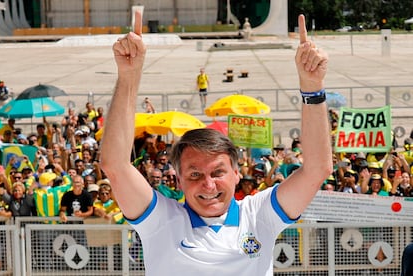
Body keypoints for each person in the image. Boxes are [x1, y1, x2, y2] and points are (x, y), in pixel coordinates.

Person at [100, 12, 332, 275]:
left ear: (236, 173)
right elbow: (116, 166)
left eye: (218, 172)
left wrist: (312, 87)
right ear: (178, 179)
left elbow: (316, 169)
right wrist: (129, 76)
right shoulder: (161, 221)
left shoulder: (259, 215)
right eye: (195, 174)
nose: (208, 185)